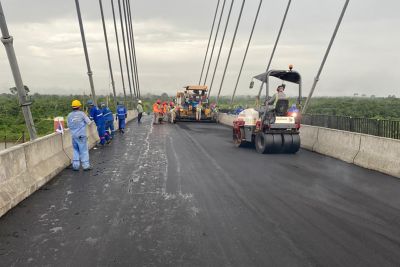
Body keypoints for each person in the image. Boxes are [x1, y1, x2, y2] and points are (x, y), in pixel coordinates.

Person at [67, 100, 92, 171]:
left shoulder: (69, 115)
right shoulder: (82, 114)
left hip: (74, 136)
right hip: (81, 136)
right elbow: (89, 122)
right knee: (83, 151)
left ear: (72, 107)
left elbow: (68, 125)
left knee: (75, 150)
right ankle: (86, 166)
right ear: (79, 106)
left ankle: (75, 166)